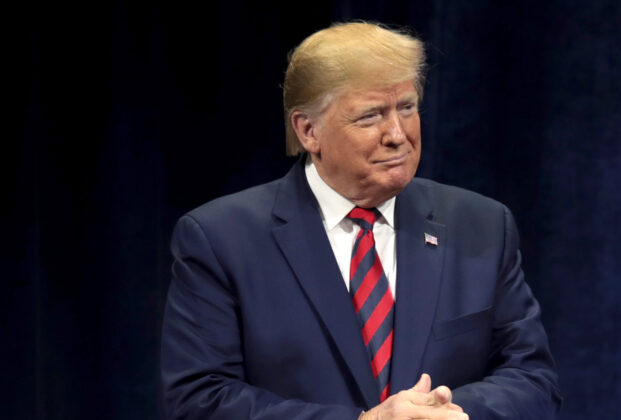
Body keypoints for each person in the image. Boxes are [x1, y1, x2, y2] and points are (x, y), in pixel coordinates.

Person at [161, 22, 562, 419]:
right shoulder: (221, 239)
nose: (397, 134)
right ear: (308, 131)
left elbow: (532, 379)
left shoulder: (481, 224)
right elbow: (201, 400)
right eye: (370, 116)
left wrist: (444, 414)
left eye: (406, 108)